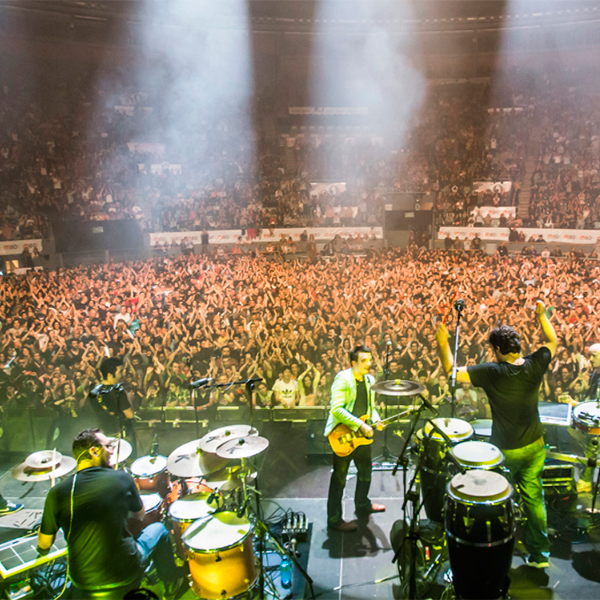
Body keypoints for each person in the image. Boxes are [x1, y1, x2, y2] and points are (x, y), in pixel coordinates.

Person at [436, 300, 557, 569]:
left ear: (499, 349)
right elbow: (553, 340)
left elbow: (451, 373)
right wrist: (541, 316)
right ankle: (540, 556)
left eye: (493, 349)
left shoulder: (493, 372)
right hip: (536, 445)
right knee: (534, 499)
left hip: (507, 449)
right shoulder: (537, 363)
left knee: (494, 501)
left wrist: (443, 342)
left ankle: (494, 552)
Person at [37, 428, 184, 598]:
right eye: (108, 446)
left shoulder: (57, 493)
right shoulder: (121, 479)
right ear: (94, 451)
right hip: (125, 573)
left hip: (82, 581)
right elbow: (140, 516)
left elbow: (45, 543)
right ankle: (171, 585)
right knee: (159, 530)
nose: (112, 451)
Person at [324, 345, 385, 532]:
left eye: (370, 359)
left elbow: (370, 407)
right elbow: (337, 409)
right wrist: (360, 425)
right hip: (343, 433)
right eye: (364, 360)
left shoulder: (369, 380)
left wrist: (376, 420)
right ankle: (334, 520)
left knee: (366, 471)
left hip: (361, 435)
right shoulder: (343, 379)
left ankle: (362, 504)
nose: (369, 363)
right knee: (340, 478)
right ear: (353, 363)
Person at [88, 357, 137, 456]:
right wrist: (130, 400)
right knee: (125, 462)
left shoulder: (93, 390)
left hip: (102, 435)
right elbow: (130, 415)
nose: (122, 374)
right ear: (110, 374)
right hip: (120, 435)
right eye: (120, 371)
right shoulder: (118, 391)